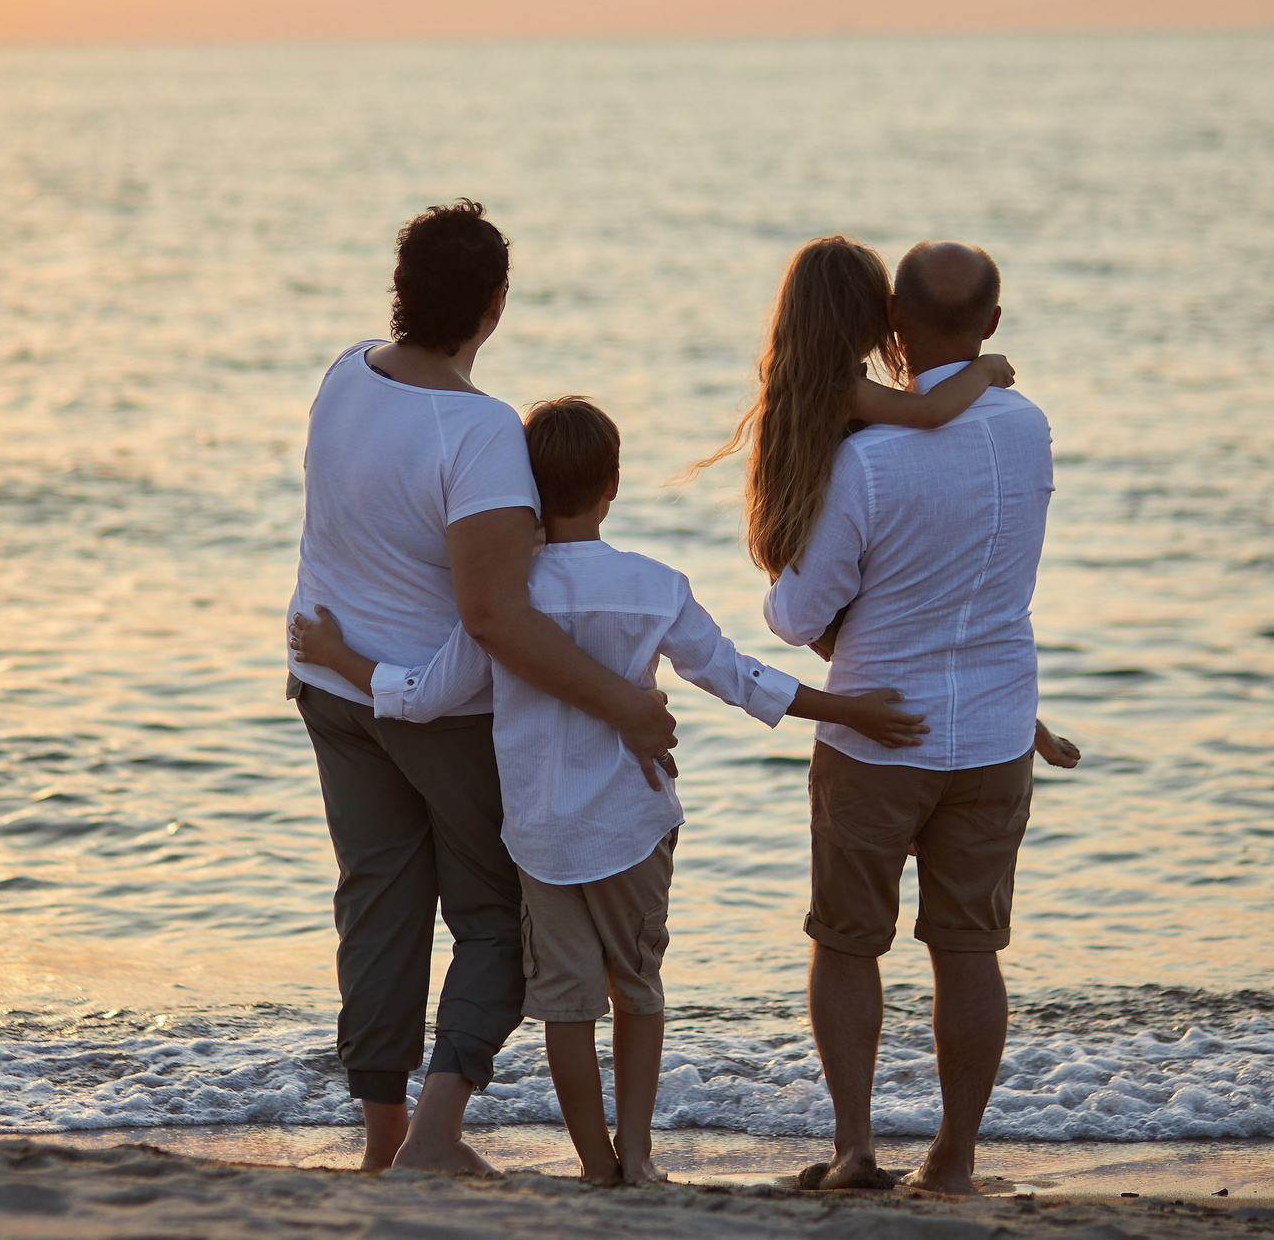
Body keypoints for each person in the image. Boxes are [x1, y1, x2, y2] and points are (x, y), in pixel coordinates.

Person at [295, 397, 925, 1185]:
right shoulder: (653, 585)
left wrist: (337, 654)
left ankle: (593, 1160)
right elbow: (738, 678)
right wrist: (848, 706)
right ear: (614, 484)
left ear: (526, 487)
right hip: (632, 824)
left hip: (541, 835)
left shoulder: (502, 602)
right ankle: (638, 1156)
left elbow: (422, 694)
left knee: (566, 1005)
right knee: (639, 990)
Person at [283, 201, 679, 1174]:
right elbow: (497, 615)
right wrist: (623, 701)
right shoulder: (481, 430)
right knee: (496, 920)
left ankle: (383, 1137)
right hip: (439, 714)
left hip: (331, 685)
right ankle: (434, 1134)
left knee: (376, 906)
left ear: (400, 292)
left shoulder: (341, 375)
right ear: (495, 306)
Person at [741, 237, 1073, 1195]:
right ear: (994, 325)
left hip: (877, 732)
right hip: (997, 732)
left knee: (848, 940)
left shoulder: (869, 458)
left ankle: (854, 1149)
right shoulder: (1029, 425)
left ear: (892, 323)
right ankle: (954, 1159)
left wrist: (790, 589)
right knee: (970, 951)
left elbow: (800, 616)